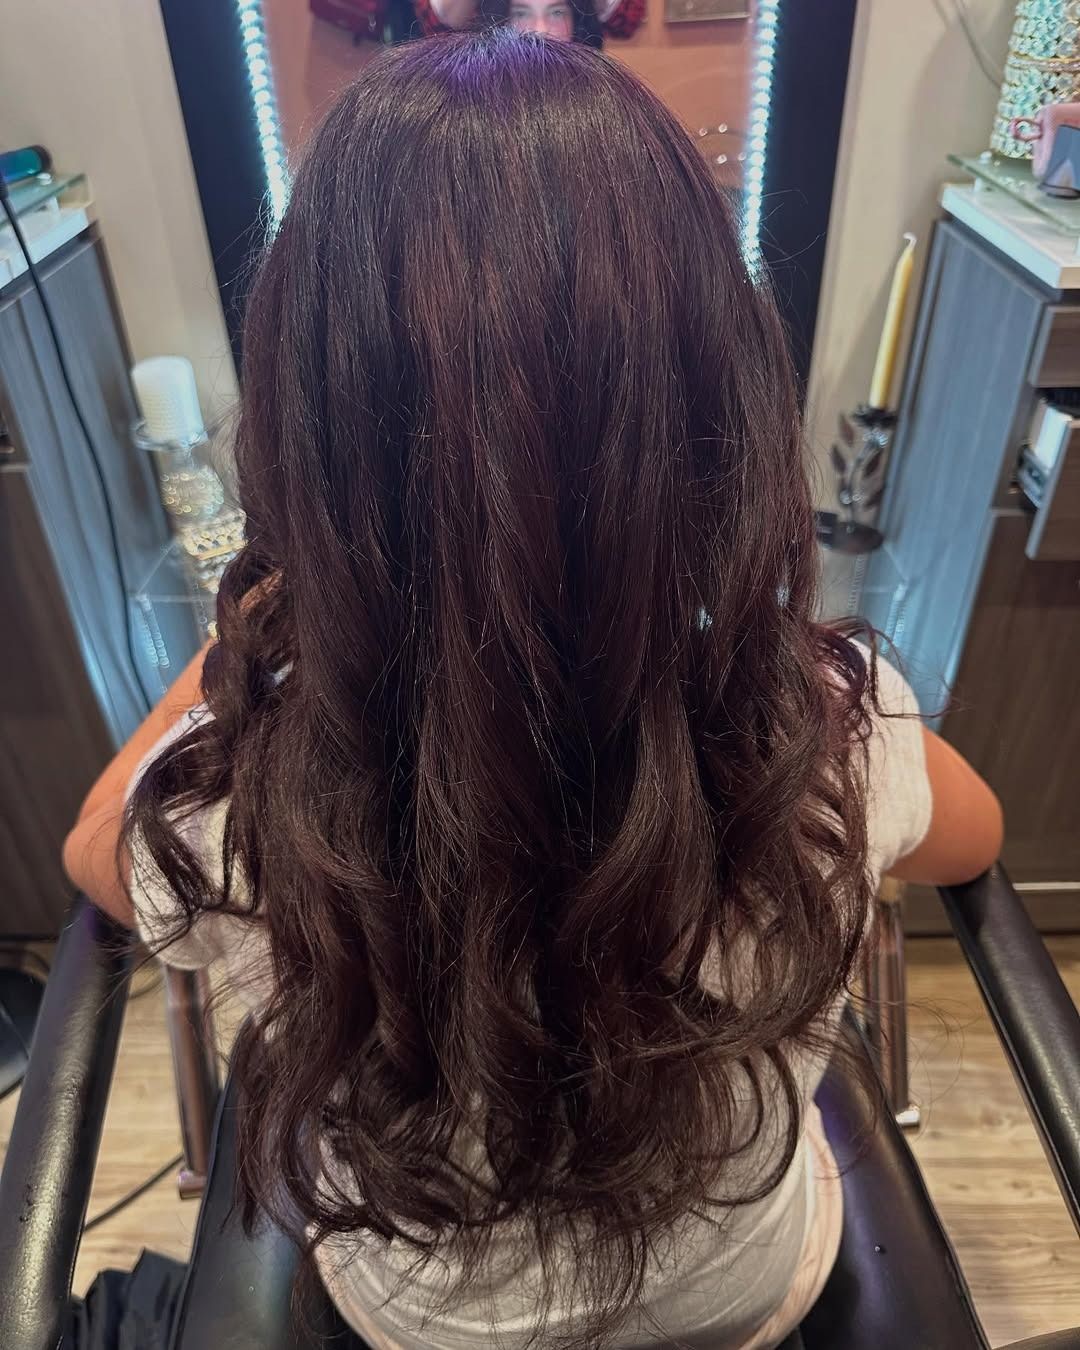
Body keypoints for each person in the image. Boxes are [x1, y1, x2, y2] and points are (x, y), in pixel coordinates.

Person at [64, 30, 1003, 1350]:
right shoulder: (819, 728)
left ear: (313, 437)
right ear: (705, 396)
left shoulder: (249, 794)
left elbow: (93, 845)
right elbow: (978, 831)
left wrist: (254, 632)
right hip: (742, 1296)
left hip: (414, 1317)